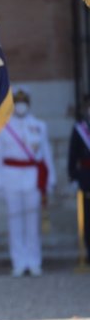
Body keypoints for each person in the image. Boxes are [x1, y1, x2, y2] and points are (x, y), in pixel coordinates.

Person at [0, 87, 54, 277]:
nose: (20, 105)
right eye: (17, 102)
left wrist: (50, 179)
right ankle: (18, 261)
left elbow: (46, 153)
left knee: (32, 222)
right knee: (15, 221)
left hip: (32, 177)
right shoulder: (3, 127)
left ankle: (34, 261)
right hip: (11, 177)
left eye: (23, 101)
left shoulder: (39, 125)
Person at [69, 93, 90, 259]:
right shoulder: (79, 129)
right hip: (86, 178)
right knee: (87, 218)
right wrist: (74, 177)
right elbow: (73, 155)